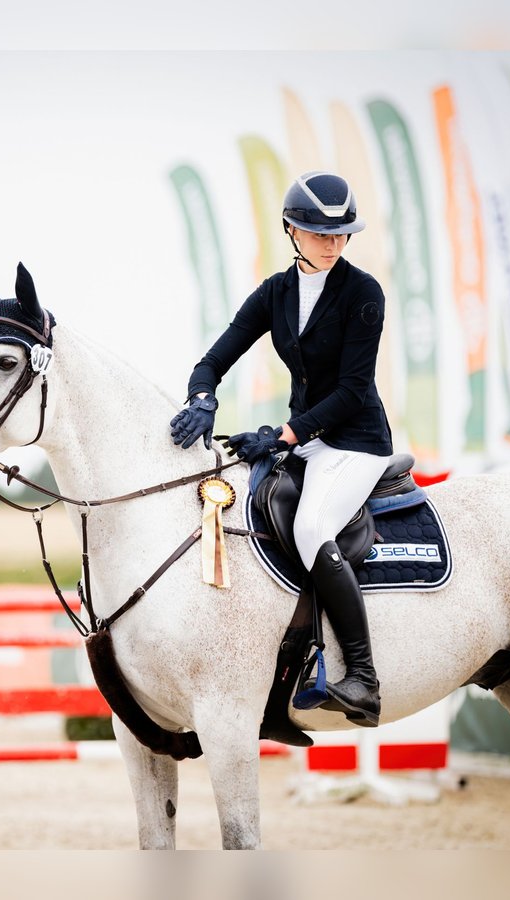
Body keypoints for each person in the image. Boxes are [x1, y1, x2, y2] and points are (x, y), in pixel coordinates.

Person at [169, 171, 393, 727]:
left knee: (312, 526)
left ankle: (362, 678)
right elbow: (213, 359)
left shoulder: (364, 293)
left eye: (342, 234)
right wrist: (203, 398)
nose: (333, 243)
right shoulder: (275, 292)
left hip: (356, 442)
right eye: (320, 233)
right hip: (308, 441)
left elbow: (353, 390)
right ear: (292, 229)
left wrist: (285, 435)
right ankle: (272, 678)